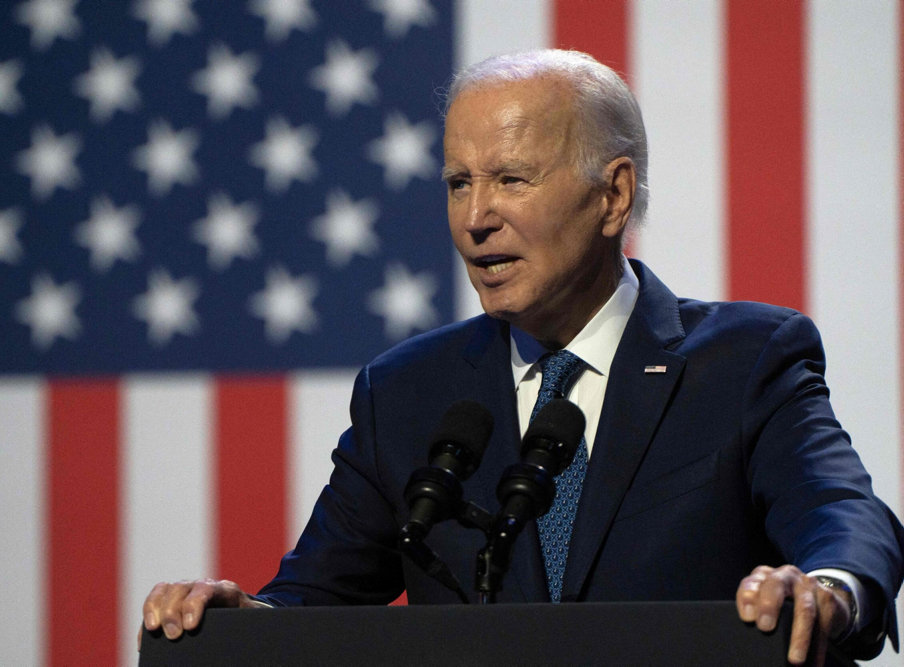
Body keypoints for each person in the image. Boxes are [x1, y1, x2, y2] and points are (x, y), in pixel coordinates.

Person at [140, 49, 904, 663]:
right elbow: (313, 596)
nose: (475, 218)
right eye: (458, 182)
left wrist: (827, 586)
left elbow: (841, 513)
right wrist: (247, 622)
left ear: (612, 197)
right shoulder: (407, 391)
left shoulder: (744, 360)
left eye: (510, 179)